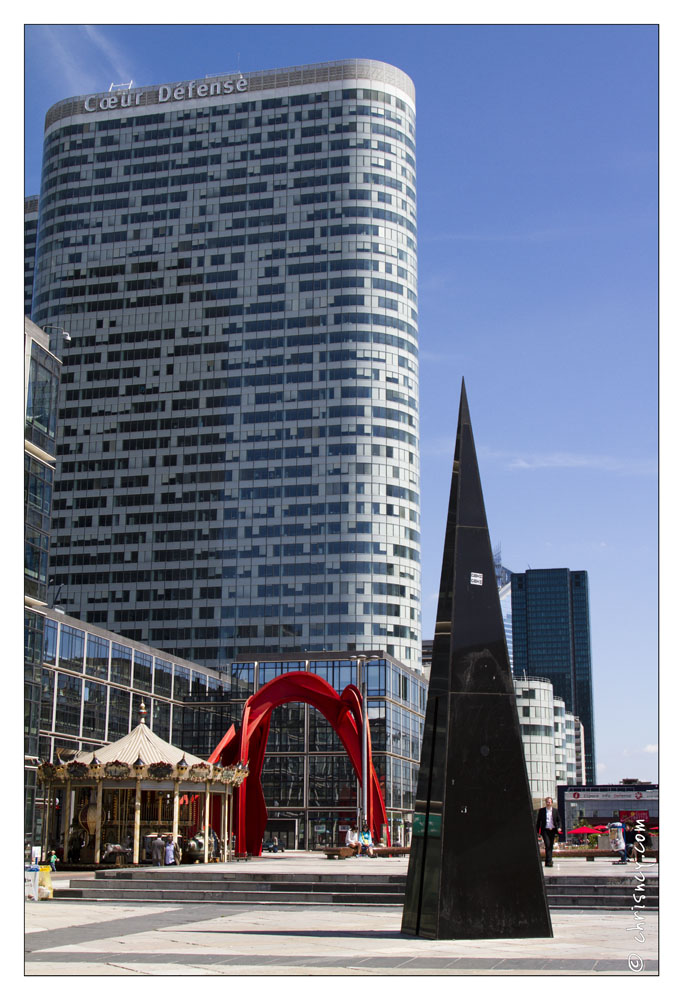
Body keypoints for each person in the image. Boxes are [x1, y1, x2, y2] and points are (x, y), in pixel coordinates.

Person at [535, 796, 562, 867]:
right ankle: (549, 861)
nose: (548, 803)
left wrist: (559, 827)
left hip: (552, 830)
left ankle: (547, 861)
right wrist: (537, 831)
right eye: (547, 802)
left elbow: (559, 820)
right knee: (547, 845)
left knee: (550, 846)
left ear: (552, 803)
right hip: (545, 830)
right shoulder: (542, 811)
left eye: (549, 802)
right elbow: (538, 821)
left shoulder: (555, 811)